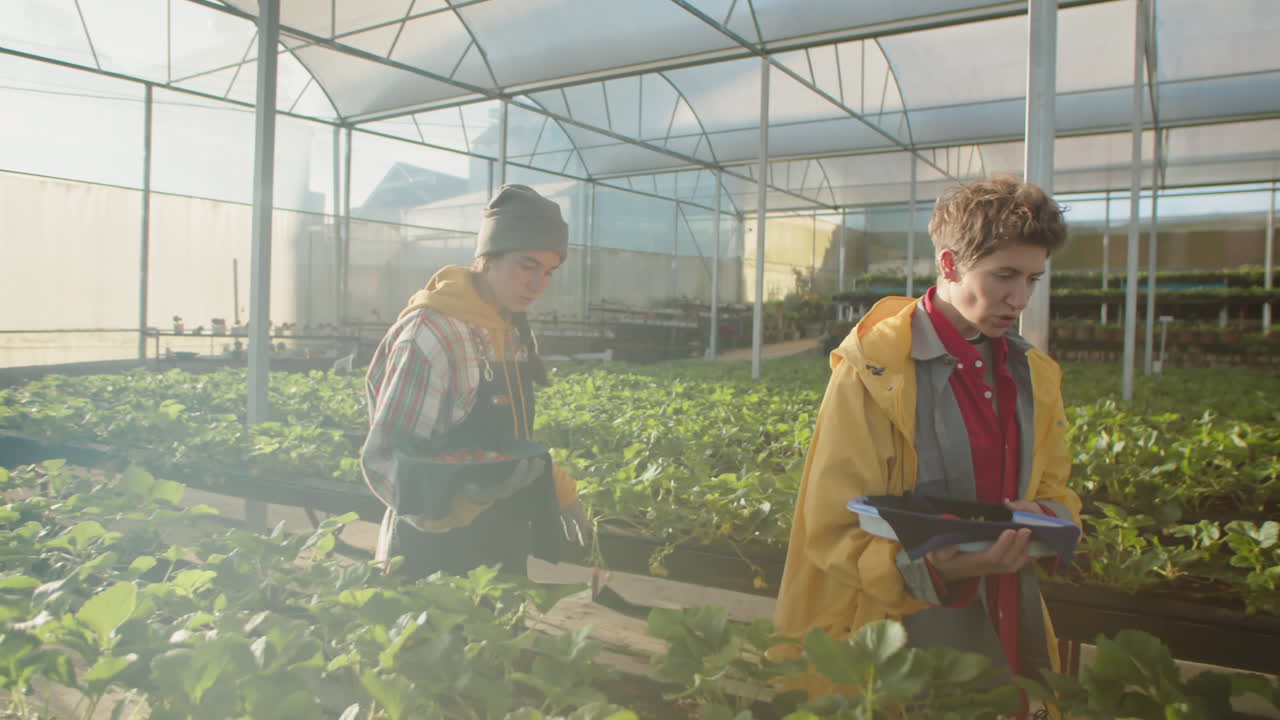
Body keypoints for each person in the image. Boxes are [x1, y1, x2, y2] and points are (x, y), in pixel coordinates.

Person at [773, 175, 1082, 710]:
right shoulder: (873, 371)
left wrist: (1048, 513)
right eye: (1004, 275)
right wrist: (940, 566)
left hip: (1006, 603)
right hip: (900, 624)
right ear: (948, 264)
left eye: (1033, 278)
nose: (1020, 298)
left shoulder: (1034, 372)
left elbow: (1056, 483)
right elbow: (831, 526)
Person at [361, 184, 590, 578]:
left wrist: (559, 488)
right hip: (433, 554)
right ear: (488, 258)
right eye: (528, 266)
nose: (538, 285)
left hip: (503, 541)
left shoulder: (508, 326)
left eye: (549, 272)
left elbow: (505, 444)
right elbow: (386, 456)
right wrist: (452, 505)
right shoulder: (432, 334)